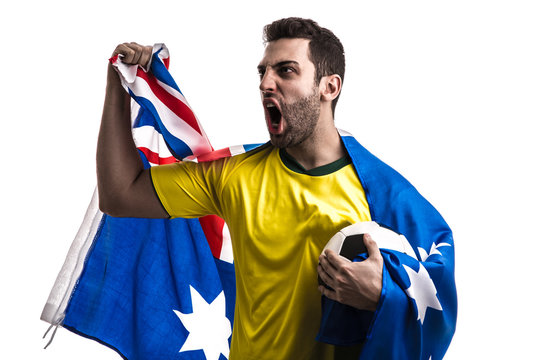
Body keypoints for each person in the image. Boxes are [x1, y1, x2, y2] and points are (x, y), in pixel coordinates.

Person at [98, 18, 455, 359]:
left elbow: (438, 288)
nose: (266, 83)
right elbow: (120, 194)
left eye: (285, 70)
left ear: (329, 87)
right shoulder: (235, 174)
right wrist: (118, 84)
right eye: (263, 72)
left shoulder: (383, 193)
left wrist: (383, 294)